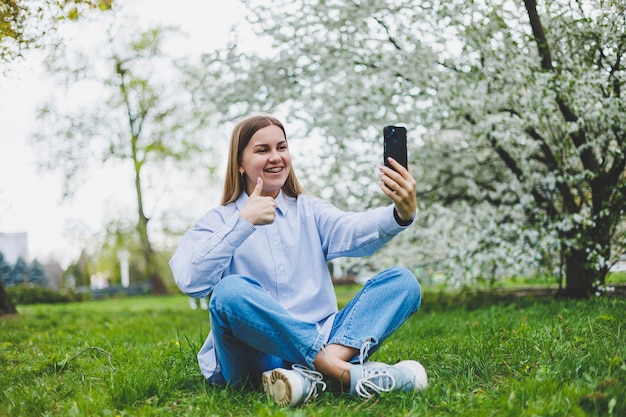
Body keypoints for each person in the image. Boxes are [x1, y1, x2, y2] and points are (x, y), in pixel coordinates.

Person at [169, 113, 426, 407]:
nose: (275, 157)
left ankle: (308, 376)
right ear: (239, 163)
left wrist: (400, 213)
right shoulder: (219, 220)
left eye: (282, 147)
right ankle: (342, 373)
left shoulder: (309, 210)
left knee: (402, 282)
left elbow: (353, 230)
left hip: (326, 336)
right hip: (255, 357)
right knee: (228, 293)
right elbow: (190, 279)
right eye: (262, 150)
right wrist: (243, 223)